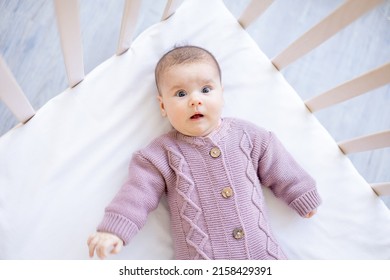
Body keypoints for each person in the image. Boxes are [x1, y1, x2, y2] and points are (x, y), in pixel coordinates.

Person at [87, 45, 321, 260]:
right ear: (162, 106)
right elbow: (136, 195)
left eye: (206, 89)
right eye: (181, 94)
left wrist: (300, 192)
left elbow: (276, 161)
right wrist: (114, 230)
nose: (195, 100)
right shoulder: (160, 155)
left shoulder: (247, 135)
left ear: (222, 94)